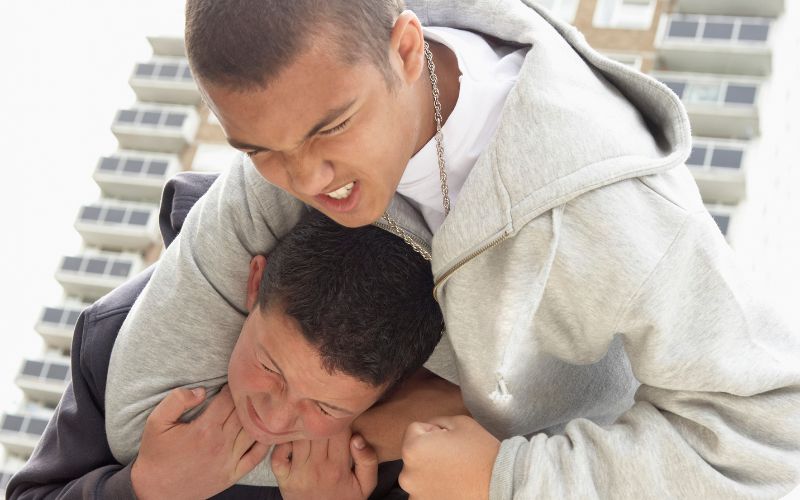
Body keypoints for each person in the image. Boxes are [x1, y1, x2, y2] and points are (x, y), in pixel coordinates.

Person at [105, 0, 800, 498]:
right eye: (259, 150)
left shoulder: (614, 214)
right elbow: (147, 427)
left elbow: (778, 442)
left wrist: (511, 479)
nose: (306, 180)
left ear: (407, 50)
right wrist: (375, 431)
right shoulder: (300, 118)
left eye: (333, 128)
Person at [7, 173, 442, 499]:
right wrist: (143, 487)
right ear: (256, 283)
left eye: (326, 406)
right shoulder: (113, 335)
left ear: (401, 383)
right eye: (269, 367)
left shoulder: (420, 449)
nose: (272, 422)